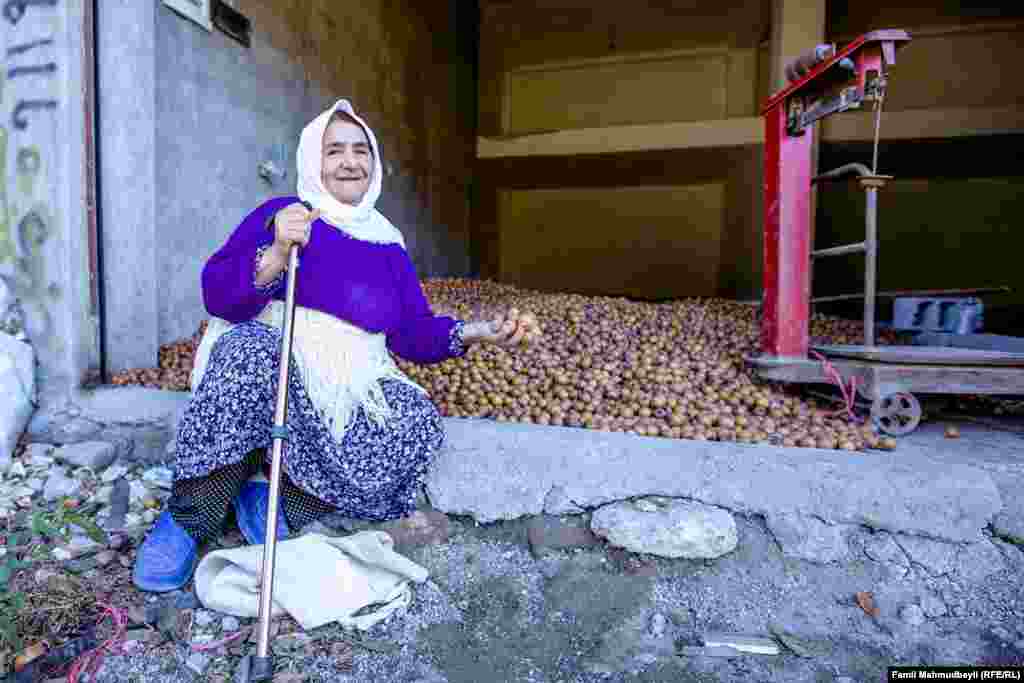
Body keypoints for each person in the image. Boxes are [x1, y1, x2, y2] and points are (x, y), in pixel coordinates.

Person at [132, 99, 541, 592]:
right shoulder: (280, 215)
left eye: (360, 151)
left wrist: (478, 331)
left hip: (344, 380)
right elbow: (220, 296)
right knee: (248, 353)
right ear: (312, 160)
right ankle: (189, 516)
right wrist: (279, 250)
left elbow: (410, 332)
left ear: (375, 164)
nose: (350, 162)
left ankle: (274, 490)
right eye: (334, 151)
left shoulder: (387, 244)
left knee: (414, 418)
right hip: (274, 361)